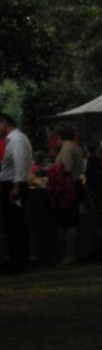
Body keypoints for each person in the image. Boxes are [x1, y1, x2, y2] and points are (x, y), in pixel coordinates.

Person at [0, 112, 33, 273]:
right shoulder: (15, 139)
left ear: (3, 124)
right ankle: (18, 259)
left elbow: (19, 163)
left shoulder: (16, 140)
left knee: (16, 224)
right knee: (14, 224)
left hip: (12, 185)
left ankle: (19, 261)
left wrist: (16, 186)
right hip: (13, 183)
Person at [50, 124, 85, 263]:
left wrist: (53, 169)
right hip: (75, 186)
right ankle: (69, 253)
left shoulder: (66, 147)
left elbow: (68, 167)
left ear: (60, 136)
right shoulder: (76, 146)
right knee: (71, 220)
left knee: (66, 221)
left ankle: (68, 253)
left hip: (67, 188)